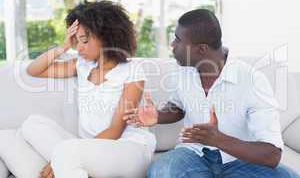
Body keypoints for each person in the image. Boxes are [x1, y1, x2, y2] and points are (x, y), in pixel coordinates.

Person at [124, 9, 300, 178]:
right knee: (162, 171)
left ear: (201, 49)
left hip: (241, 160)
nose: (172, 45)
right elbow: (178, 106)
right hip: (193, 155)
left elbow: (272, 155)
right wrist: (158, 116)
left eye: (178, 39)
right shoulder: (183, 71)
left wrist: (219, 140)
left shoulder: (253, 80)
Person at [22, 0, 156, 178]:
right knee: (32, 124)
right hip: (85, 148)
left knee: (67, 153)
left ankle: (70, 163)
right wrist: (63, 47)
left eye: (84, 40)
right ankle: (75, 166)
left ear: (107, 36)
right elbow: (34, 70)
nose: (79, 47)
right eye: (75, 41)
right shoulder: (81, 65)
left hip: (127, 148)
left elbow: (116, 129)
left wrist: (62, 157)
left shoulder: (132, 71)